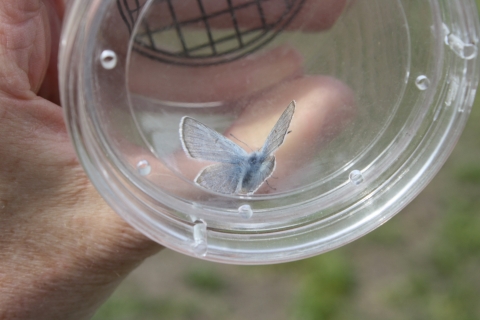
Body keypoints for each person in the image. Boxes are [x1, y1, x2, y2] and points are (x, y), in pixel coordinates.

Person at [0, 0, 353, 318]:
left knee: (249, 156)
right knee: (264, 150)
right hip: (246, 162)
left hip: (235, 163)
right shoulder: (260, 153)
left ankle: (243, 178)